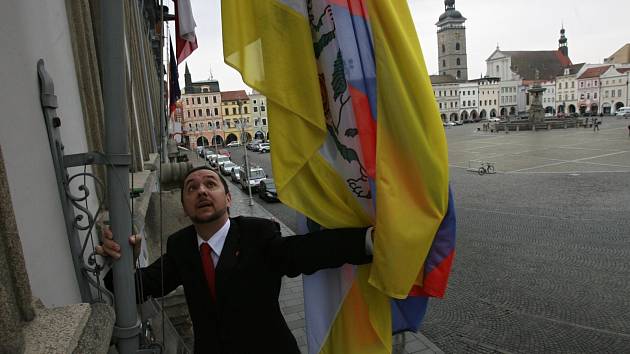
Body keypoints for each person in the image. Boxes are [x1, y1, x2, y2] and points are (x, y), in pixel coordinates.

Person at [98, 166, 374, 353]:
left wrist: (368, 241)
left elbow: (305, 251)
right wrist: (122, 262)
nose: (202, 191)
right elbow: (142, 286)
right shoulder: (181, 246)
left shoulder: (258, 233)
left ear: (228, 198)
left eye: (210, 184)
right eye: (191, 188)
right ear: (183, 206)